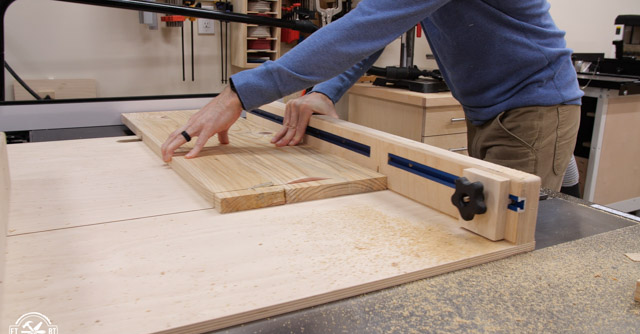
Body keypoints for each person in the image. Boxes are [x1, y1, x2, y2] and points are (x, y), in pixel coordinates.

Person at [161, 0, 583, 191]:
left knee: (514, 235)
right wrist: (325, 92)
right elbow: (373, 30)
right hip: (491, 107)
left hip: (533, 106)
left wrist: (238, 94)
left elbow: (364, 28)